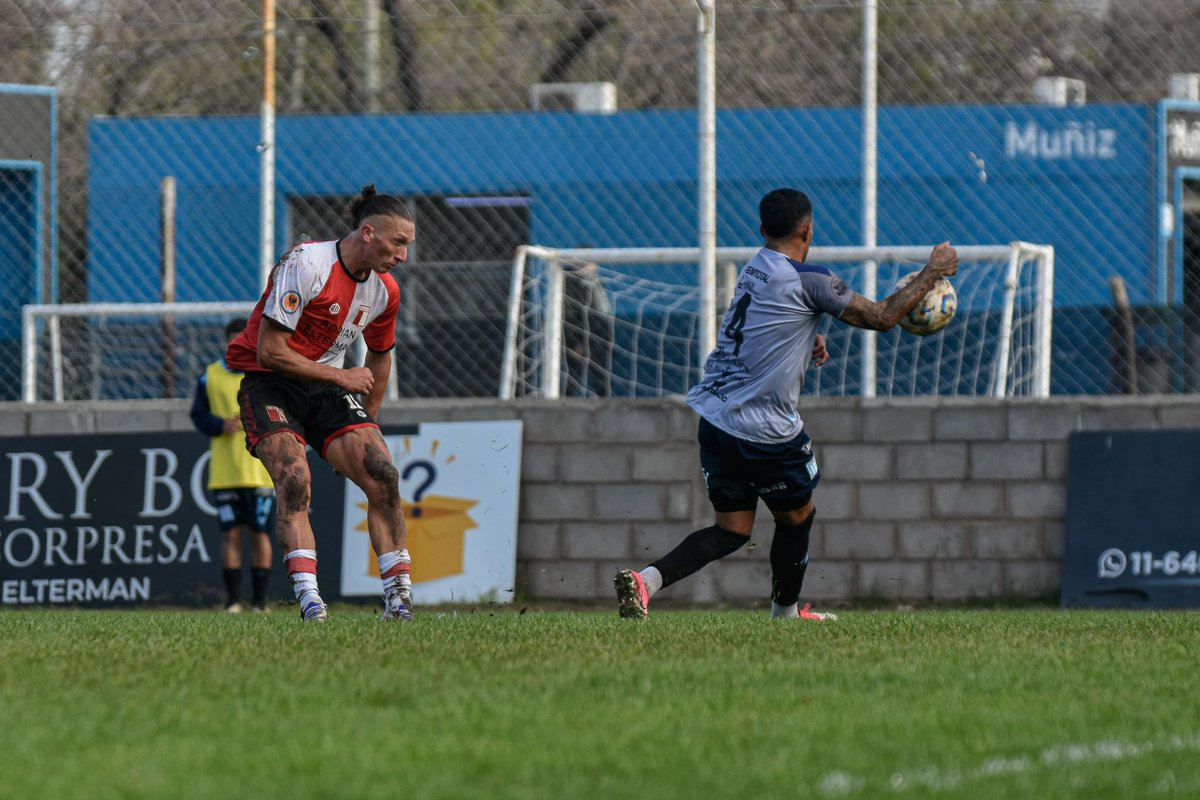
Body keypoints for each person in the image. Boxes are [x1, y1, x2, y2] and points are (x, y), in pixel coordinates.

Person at [614, 188, 958, 620]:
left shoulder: (755, 268)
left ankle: (646, 582)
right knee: (798, 516)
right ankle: (785, 613)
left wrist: (802, 336)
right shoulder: (812, 279)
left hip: (715, 419)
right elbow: (883, 316)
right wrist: (932, 271)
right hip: (763, 432)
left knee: (733, 529)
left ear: (762, 230)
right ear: (808, 230)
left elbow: (762, 321)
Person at [226, 184, 416, 622]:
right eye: (399, 242)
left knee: (383, 474)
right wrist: (342, 375)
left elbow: (381, 357)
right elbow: (269, 352)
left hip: (328, 389)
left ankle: (399, 602)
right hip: (270, 383)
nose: (404, 256)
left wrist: (366, 425)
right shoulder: (307, 263)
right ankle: (311, 603)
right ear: (368, 233)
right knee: (295, 481)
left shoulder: (385, 291)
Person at [190, 318, 276, 614]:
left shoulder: (265, 373)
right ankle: (232, 601)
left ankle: (260, 602)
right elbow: (198, 414)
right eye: (233, 342)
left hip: (259, 473)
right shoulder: (209, 376)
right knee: (230, 534)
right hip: (225, 472)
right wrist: (218, 424)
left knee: (259, 533)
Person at [562, 259, 614, 397]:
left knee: (601, 376)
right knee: (572, 375)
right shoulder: (570, 283)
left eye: (594, 263)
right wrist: (576, 341)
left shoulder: (596, 281)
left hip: (599, 335)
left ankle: (604, 404)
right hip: (581, 335)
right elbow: (570, 314)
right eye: (589, 263)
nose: (593, 266)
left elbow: (603, 312)